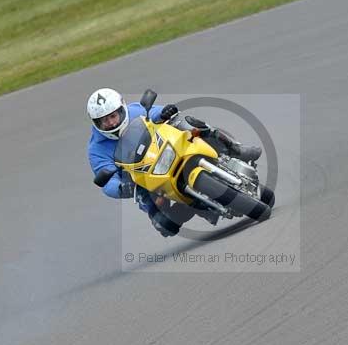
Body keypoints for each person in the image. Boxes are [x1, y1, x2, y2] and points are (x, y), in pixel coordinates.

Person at [86, 88, 261, 237]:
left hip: (164, 149)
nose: (110, 122)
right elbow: (106, 178)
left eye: (113, 116)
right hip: (141, 179)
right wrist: (120, 187)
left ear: (121, 110)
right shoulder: (96, 148)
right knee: (165, 226)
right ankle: (195, 206)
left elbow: (154, 113)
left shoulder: (134, 111)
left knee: (188, 123)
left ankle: (236, 149)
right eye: (104, 120)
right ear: (96, 123)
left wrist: (165, 112)